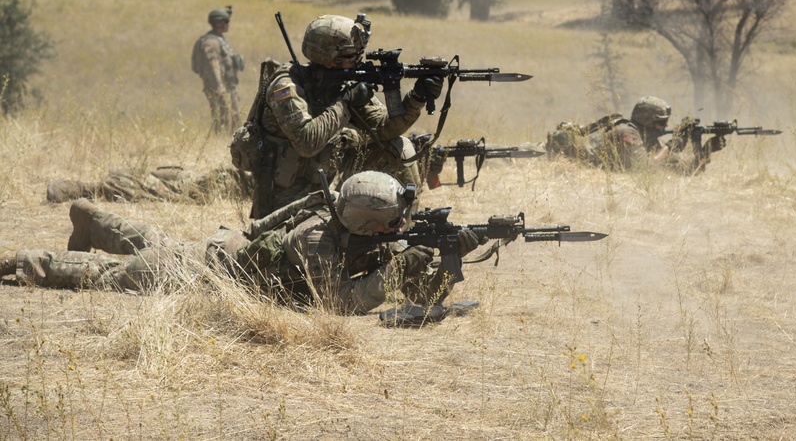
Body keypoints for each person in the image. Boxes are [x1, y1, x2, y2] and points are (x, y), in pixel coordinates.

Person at [0, 172, 482, 314]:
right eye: (390, 224)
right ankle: (23, 262)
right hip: (211, 273)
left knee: (155, 242)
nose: (397, 230)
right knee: (114, 277)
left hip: (221, 249)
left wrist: (447, 253)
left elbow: (418, 301)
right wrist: (398, 268)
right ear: (367, 221)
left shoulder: (341, 214)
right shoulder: (317, 239)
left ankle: (92, 217)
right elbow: (338, 303)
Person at [246, 14, 440, 218]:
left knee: (398, 148)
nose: (359, 61)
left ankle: (401, 233)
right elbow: (306, 142)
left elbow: (383, 129)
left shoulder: (342, 83)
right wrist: (345, 102)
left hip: (330, 180)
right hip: (285, 201)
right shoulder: (286, 86)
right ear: (330, 59)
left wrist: (417, 98)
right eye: (353, 56)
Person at [544, 96, 726, 174]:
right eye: (661, 122)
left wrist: (706, 150)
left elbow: (683, 171)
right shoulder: (627, 132)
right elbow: (645, 170)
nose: (665, 126)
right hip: (547, 156)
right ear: (647, 120)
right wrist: (670, 146)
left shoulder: (646, 139)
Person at [45, 165, 253, 204]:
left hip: (224, 180)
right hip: (219, 181)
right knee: (153, 189)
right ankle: (86, 189)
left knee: (157, 185)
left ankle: (90, 187)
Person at [192, 6, 244, 134]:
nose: (228, 24)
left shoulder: (219, 39)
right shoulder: (211, 42)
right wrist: (219, 86)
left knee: (235, 117)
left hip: (229, 86)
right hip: (220, 87)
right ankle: (220, 144)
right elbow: (213, 65)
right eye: (226, 21)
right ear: (218, 23)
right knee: (223, 118)